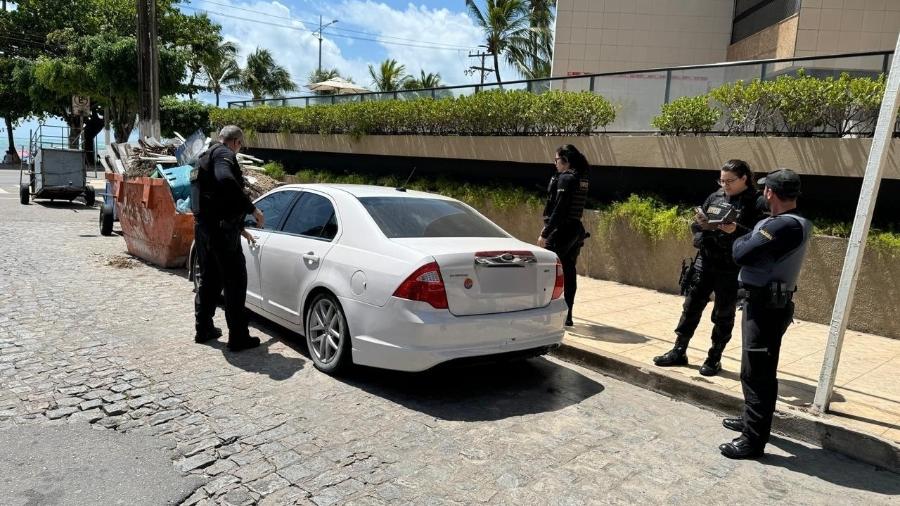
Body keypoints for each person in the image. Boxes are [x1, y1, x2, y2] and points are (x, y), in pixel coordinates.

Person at [719, 168, 811, 459]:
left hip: (765, 308)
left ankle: (753, 440)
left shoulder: (785, 225)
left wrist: (739, 240)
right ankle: (750, 421)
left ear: (770, 192)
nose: (761, 194)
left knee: (757, 373)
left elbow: (742, 254)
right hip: (762, 304)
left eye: (764, 190)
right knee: (752, 369)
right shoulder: (782, 224)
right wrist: (747, 234)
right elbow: (758, 245)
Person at [653, 160, 766, 376]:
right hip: (705, 261)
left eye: (730, 181)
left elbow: (760, 236)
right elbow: (696, 223)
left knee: (723, 315)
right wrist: (700, 233)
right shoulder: (715, 196)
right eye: (721, 180)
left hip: (730, 267)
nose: (725, 185)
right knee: (691, 307)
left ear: (744, 178)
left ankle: (714, 358)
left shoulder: (757, 202)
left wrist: (736, 229)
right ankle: (679, 350)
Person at [191, 125, 265, 351]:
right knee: (235, 282)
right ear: (235, 142)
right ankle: (238, 337)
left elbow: (215, 199)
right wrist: (252, 209)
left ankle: (203, 329)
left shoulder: (205, 157)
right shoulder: (224, 154)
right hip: (221, 233)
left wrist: (240, 228)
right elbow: (225, 180)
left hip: (205, 229)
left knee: (210, 280)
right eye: (240, 145)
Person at [538, 144, 590, 327]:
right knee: (568, 270)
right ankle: (567, 315)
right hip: (576, 230)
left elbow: (559, 209)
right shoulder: (581, 178)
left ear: (566, 161)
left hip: (562, 231)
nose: (555, 164)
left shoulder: (566, 179)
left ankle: (548, 313)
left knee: (550, 270)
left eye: (557, 160)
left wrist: (545, 233)